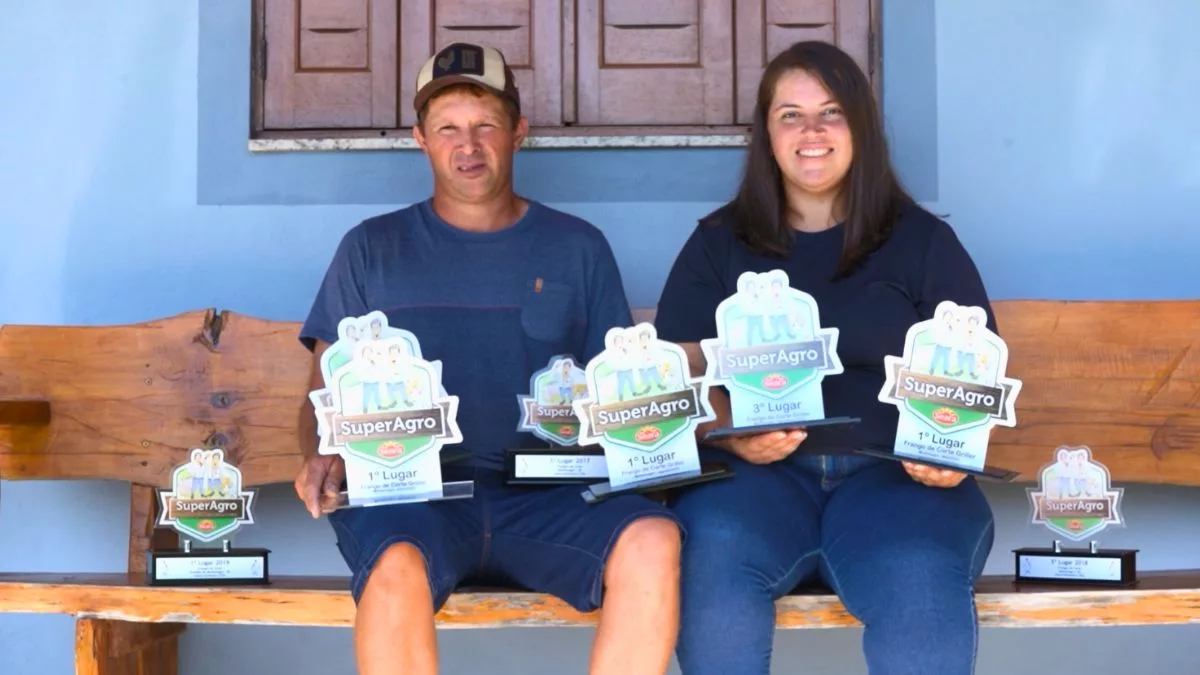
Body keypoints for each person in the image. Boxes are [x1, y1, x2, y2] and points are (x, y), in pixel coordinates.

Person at [293, 42, 684, 675]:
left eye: (485, 126)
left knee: (654, 539)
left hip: (548, 494)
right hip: (410, 493)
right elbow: (321, 389)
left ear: (518, 133)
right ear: (421, 138)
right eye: (448, 128)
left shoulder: (577, 248)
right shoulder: (371, 249)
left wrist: (655, 450)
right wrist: (320, 452)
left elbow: (622, 390)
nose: (467, 145)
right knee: (395, 564)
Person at [653, 40, 997, 674]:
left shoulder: (922, 243)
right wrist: (730, 438)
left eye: (830, 111)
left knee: (916, 568)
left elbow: (974, 375)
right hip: (755, 485)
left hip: (894, 478)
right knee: (713, 555)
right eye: (790, 114)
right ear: (766, 132)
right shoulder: (717, 245)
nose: (810, 131)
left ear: (860, 126)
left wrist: (950, 450)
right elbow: (674, 379)